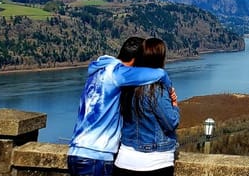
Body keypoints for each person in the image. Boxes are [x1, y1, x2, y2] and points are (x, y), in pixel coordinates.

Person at [67, 37, 173, 176]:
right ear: (136, 59)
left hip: (76, 152)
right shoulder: (117, 73)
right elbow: (159, 73)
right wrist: (170, 90)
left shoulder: (99, 71)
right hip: (96, 155)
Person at [114, 38, 181, 176]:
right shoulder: (156, 89)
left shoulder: (127, 87)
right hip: (155, 162)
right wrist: (174, 105)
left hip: (124, 159)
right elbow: (171, 122)